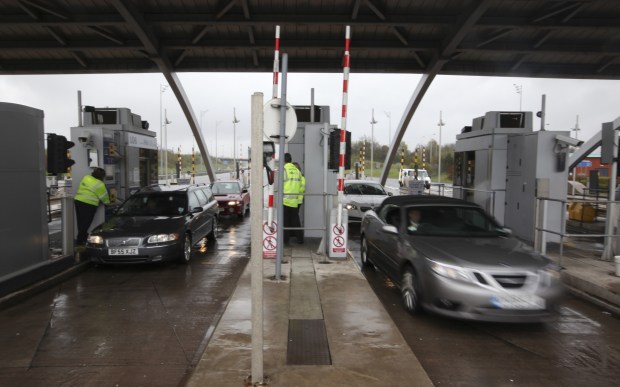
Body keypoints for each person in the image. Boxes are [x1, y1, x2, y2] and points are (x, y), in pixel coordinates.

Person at [74, 167, 110, 245]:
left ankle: (83, 238)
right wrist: (108, 204)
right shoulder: (100, 184)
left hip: (78, 201)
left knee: (80, 222)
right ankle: (80, 241)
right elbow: (104, 198)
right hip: (89, 204)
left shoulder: (86, 178)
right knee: (86, 223)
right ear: (102, 176)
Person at [283, 153, 303, 244]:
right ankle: (300, 239)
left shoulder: (283, 170)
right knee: (295, 220)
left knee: (285, 221)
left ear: (284, 160)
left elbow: (280, 185)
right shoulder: (297, 171)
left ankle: (285, 240)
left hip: (285, 200)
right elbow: (299, 187)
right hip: (294, 201)